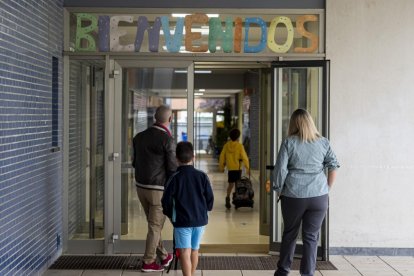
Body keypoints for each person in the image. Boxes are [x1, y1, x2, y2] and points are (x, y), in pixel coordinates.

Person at [272, 109, 340, 276]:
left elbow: (280, 170)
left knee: (290, 234)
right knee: (311, 237)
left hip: (294, 195)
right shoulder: (323, 142)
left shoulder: (289, 142)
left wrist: (278, 189)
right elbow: (334, 166)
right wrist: (326, 189)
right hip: (319, 196)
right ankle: (308, 274)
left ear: (293, 123)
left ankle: (283, 271)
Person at [132, 104, 177, 272]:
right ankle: (148, 262)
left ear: (154, 118)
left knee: (153, 225)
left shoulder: (139, 137)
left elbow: (134, 162)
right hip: (158, 189)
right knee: (155, 226)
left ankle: (164, 256)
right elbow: (172, 169)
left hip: (141, 187)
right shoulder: (168, 140)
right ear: (170, 119)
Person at [162, 141, 214, 276]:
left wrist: (170, 215)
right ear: (193, 157)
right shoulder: (202, 176)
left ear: (176, 159)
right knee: (194, 251)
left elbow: (165, 201)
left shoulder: (174, 178)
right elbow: (210, 199)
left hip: (182, 221)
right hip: (200, 220)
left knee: (185, 252)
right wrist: (204, 210)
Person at [219, 128, 250, 209]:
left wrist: (221, 167)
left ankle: (228, 197)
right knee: (237, 185)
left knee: (230, 184)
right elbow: (245, 157)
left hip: (230, 169)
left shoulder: (226, 145)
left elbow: (222, 157)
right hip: (237, 168)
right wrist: (248, 168)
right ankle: (236, 200)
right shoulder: (240, 146)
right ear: (238, 137)